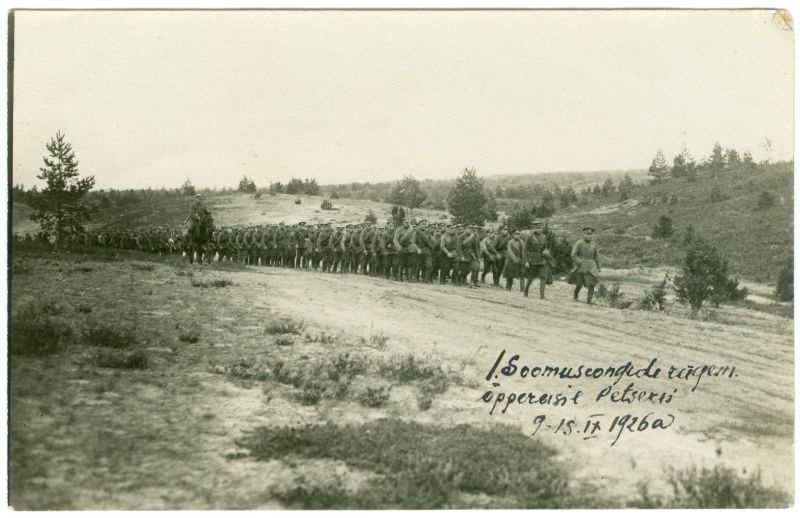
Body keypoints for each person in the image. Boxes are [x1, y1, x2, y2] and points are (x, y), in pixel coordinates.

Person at [569, 226, 601, 304]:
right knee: (579, 283)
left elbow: (596, 256)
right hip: (581, 266)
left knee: (592, 283)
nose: (589, 236)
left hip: (591, 266)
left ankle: (589, 300)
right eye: (587, 234)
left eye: (590, 234)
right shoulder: (579, 243)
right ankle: (575, 296)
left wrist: (598, 266)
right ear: (584, 234)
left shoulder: (594, 244)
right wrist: (579, 262)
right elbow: (573, 254)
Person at [522, 221, 549, 299]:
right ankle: (526, 290)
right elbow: (524, 250)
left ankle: (542, 296)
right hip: (532, 260)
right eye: (537, 228)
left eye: (540, 228)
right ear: (534, 228)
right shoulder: (529, 237)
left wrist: (545, 254)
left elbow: (546, 248)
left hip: (541, 260)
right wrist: (526, 261)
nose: (539, 229)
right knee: (531, 278)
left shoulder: (544, 236)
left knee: (543, 277)